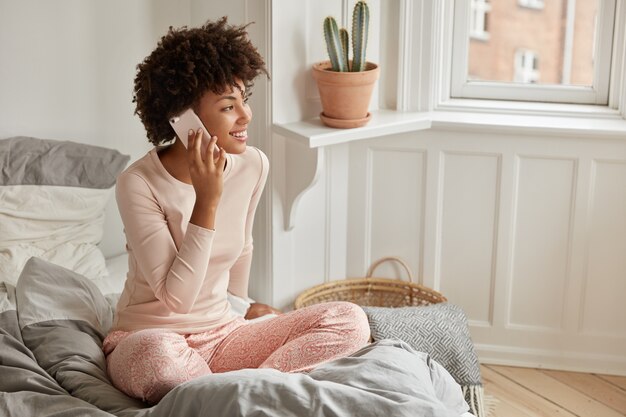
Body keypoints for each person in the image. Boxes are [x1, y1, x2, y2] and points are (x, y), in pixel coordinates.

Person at [102, 18, 370, 405]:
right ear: (182, 119)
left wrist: (243, 308)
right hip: (149, 339)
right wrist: (207, 200)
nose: (245, 115)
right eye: (229, 106)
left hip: (224, 333)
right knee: (160, 364)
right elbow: (176, 299)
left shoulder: (252, 165)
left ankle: (242, 393)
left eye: (244, 99)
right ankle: (245, 394)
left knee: (349, 320)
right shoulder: (138, 183)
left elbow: (241, 248)